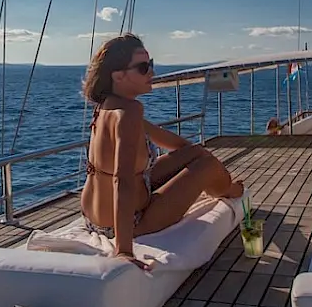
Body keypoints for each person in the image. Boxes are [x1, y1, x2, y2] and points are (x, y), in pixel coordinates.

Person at [81, 33, 245, 271]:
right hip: (128, 222)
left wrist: (192, 156)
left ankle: (221, 185)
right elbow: (122, 180)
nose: (152, 73)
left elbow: (180, 146)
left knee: (197, 153)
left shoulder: (108, 106)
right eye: (143, 68)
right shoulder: (129, 112)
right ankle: (228, 190)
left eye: (151, 65)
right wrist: (124, 250)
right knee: (208, 165)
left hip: (93, 217)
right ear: (118, 76)